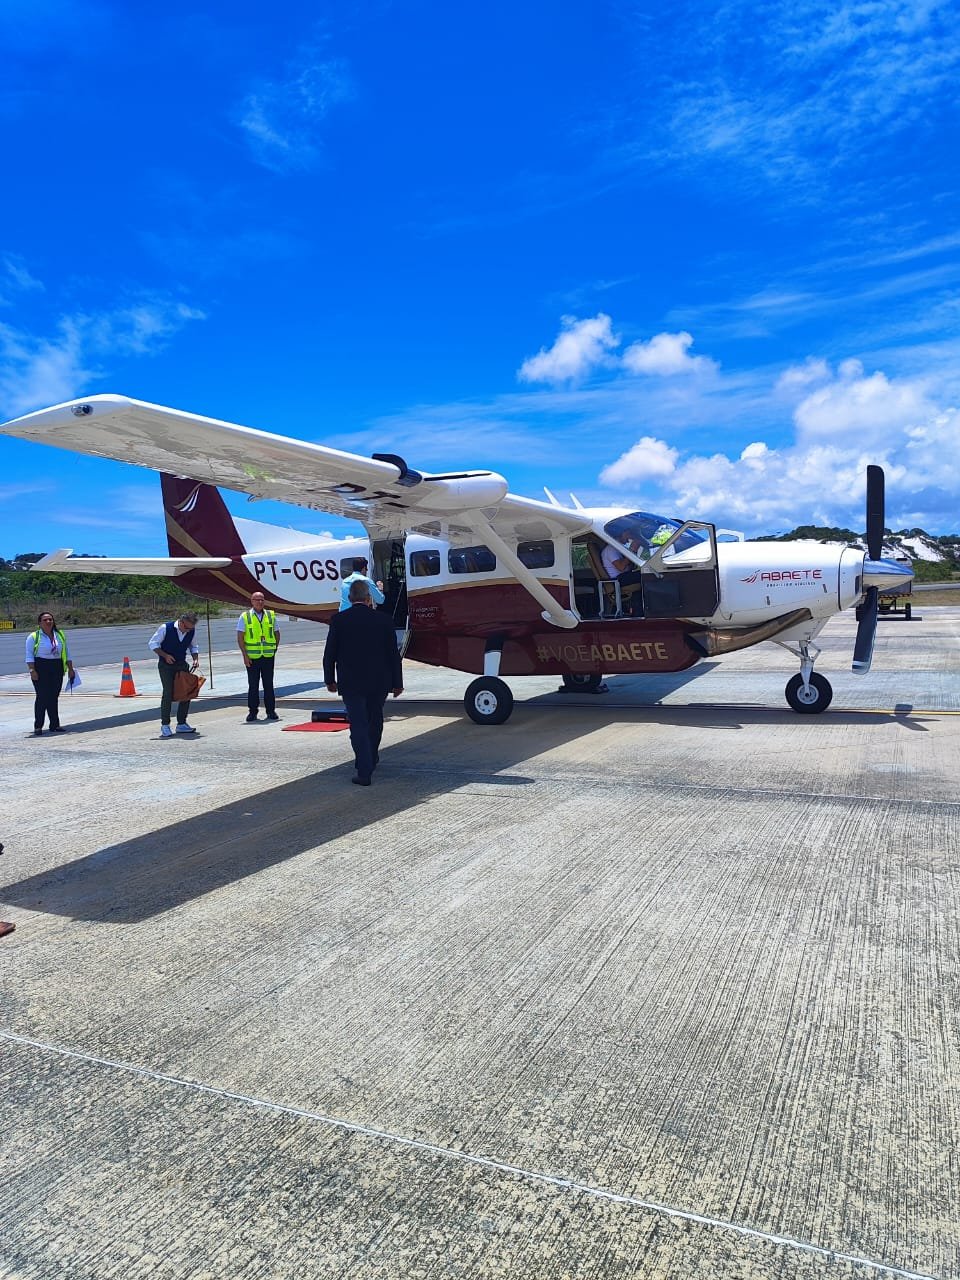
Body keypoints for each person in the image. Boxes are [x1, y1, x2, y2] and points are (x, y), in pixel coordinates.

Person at [323, 579, 403, 785]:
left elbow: (330, 653)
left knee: (358, 724)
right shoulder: (384, 620)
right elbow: (393, 654)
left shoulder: (339, 620)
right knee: (375, 721)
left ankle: (364, 769)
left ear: (350, 598)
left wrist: (329, 679)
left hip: (351, 682)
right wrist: (397, 682)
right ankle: (372, 757)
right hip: (379, 682)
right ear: (369, 599)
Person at [149, 611, 201, 738]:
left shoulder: (191, 631)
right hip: (166, 666)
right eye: (187, 628)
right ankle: (165, 725)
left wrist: (195, 659)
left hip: (181, 664)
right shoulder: (165, 628)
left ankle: (181, 723)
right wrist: (165, 655)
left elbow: (193, 646)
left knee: (186, 692)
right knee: (168, 693)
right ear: (181, 622)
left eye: (191, 629)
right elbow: (153, 644)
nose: (188, 630)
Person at [25, 612, 75, 736]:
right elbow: (29, 655)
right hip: (41, 667)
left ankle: (55, 725)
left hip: (56, 667)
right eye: (45, 620)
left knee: (53, 697)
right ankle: (38, 726)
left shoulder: (59, 635)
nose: (48, 622)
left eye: (50, 619)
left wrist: (71, 669)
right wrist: (32, 670)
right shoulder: (33, 636)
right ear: (39, 623)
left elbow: (67, 653)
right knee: (42, 697)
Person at [237, 590, 281, 722]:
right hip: (252, 657)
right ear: (252, 601)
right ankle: (253, 712)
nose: (260, 602)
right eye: (257, 600)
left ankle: (271, 711)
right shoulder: (245, 616)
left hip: (268, 656)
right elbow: (240, 637)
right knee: (253, 685)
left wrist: (274, 649)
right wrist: (245, 655)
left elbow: (277, 633)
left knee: (269, 685)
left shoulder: (271, 615)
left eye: (262, 599)